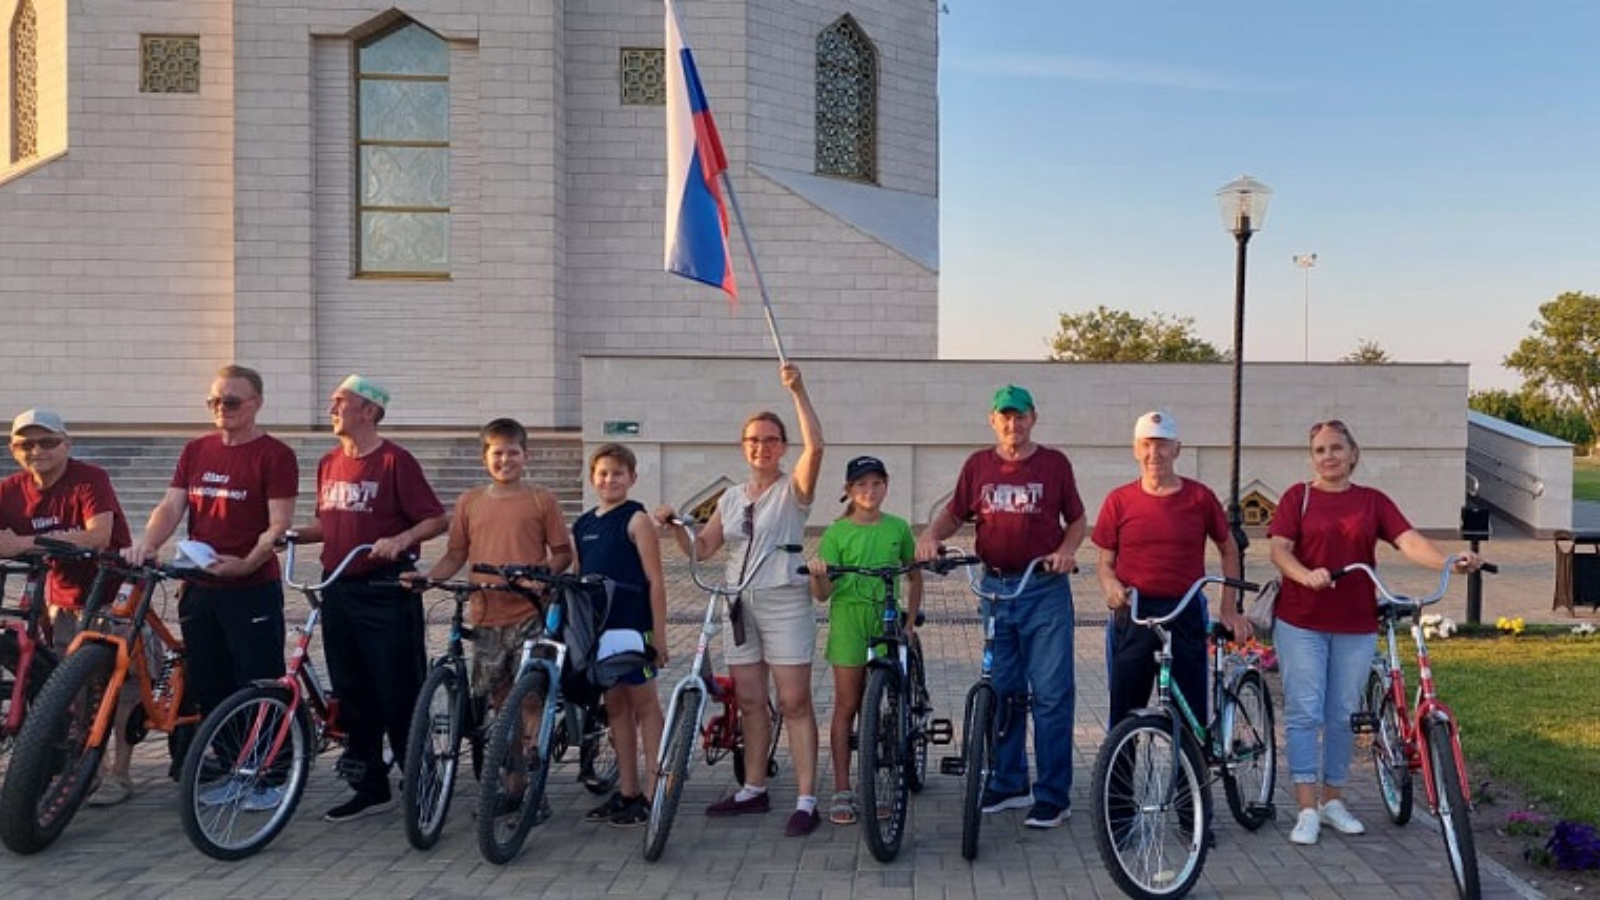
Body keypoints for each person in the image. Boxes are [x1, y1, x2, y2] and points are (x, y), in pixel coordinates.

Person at [1269, 418, 1483, 846]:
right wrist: (1304, 573)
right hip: (1302, 621)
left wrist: (1447, 562)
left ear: (1353, 454)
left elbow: (1408, 540)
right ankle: (1307, 808)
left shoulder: (1371, 502)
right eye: (1320, 450)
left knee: (1342, 715)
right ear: (1312, 457)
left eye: (1336, 449)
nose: (1328, 457)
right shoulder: (1300, 497)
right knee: (1305, 712)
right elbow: (1278, 549)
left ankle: (1333, 801)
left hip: (1355, 622)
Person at [653, 361, 825, 837]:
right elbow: (703, 549)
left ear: (782, 447)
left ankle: (807, 798)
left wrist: (799, 391)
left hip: (784, 600)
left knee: (794, 701)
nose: (762, 447)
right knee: (750, 700)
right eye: (754, 440)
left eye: (771, 440)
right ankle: (754, 787)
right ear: (743, 446)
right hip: (737, 603)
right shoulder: (730, 497)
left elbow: (818, 447)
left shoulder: (794, 490)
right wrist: (676, 530)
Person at [915, 384, 1084, 829]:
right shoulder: (978, 466)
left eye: (1021, 416)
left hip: (1043, 590)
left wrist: (1066, 552)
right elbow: (954, 514)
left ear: (1034, 418)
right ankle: (1009, 781)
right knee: (1003, 691)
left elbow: (1078, 520)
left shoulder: (1053, 464)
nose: (1013, 424)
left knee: (1050, 695)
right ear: (993, 420)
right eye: (1005, 417)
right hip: (995, 589)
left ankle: (1053, 795)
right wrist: (932, 537)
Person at [292, 375, 448, 822]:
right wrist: (290, 536)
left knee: (397, 690)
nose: (331, 409)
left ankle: (422, 780)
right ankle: (369, 785)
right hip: (338, 585)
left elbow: (435, 519)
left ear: (369, 411)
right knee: (352, 691)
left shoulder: (396, 461)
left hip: (385, 589)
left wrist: (400, 540)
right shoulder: (328, 463)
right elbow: (332, 522)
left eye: (340, 402)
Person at [124, 364, 298, 731]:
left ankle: (272, 775)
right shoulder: (196, 449)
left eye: (231, 401)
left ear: (256, 404)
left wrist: (247, 564)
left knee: (257, 682)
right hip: (199, 585)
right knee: (209, 679)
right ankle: (223, 763)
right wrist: (149, 543)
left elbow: (279, 524)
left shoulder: (275, 454)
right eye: (214, 401)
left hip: (250, 589)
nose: (222, 407)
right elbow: (172, 505)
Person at [419, 417, 572, 821]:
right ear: (485, 457)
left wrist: (540, 577)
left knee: (531, 702)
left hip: (528, 613)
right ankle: (512, 787)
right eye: (497, 453)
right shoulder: (470, 501)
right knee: (501, 705)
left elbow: (561, 552)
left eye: (513, 452)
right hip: (486, 614)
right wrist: (428, 578)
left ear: (527, 455)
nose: (505, 460)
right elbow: (456, 554)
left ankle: (537, 792)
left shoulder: (542, 500)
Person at [0, 409, 135, 805]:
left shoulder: (90, 478)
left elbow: (97, 535)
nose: (36, 451)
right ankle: (86, 769)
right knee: (70, 689)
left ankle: (120, 774)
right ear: (13, 449)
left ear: (66, 444)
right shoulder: (10, 489)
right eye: (26, 444)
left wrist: (24, 543)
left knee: (118, 684)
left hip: (112, 592)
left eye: (47, 442)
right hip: (60, 598)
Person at [1094, 411, 1247, 728]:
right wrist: (1110, 586)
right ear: (1136, 449)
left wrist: (1228, 609)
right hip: (1134, 610)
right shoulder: (1119, 501)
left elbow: (1229, 549)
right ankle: (1117, 778)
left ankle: (1189, 776)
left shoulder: (1199, 498)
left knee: (1189, 711)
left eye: (1163, 445)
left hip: (1184, 607)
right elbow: (1105, 563)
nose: (1155, 454)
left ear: (1177, 449)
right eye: (1147, 445)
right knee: (1124, 713)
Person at [807, 455, 921, 826]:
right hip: (849, 620)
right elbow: (822, 594)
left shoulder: (898, 528)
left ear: (886, 485)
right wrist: (818, 574)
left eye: (876, 484)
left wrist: (910, 621)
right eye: (861, 485)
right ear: (848, 491)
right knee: (847, 704)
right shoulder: (837, 534)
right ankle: (843, 787)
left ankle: (879, 780)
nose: (869, 491)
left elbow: (913, 574)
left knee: (888, 702)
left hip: (886, 615)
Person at [571, 443, 668, 828]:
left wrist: (659, 634)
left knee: (645, 706)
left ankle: (654, 790)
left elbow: (656, 581)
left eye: (617, 473)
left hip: (632, 627)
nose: (609, 480)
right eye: (603, 473)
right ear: (592, 477)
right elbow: (577, 576)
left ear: (631, 478)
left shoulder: (636, 519)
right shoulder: (583, 524)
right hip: (600, 632)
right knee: (616, 709)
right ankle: (627, 792)